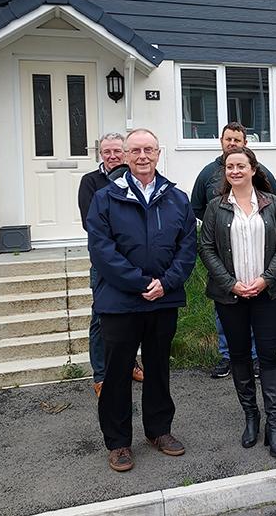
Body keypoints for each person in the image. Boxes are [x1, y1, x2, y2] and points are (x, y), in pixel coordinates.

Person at [86, 128, 197, 473]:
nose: (143, 156)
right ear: (126, 155)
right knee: (117, 373)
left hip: (162, 301)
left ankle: (159, 431)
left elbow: (187, 248)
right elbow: (102, 250)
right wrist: (139, 283)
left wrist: (165, 283)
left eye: (149, 149)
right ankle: (118, 442)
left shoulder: (177, 198)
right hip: (120, 302)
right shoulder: (105, 198)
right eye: (135, 150)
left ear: (159, 153)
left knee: (159, 368)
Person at [198, 147, 276, 459]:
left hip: (268, 294)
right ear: (225, 172)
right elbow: (206, 248)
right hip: (230, 297)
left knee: (268, 358)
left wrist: (266, 278)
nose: (235, 171)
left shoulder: (272, 203)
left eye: (241, 165)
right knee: (239, 357)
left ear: (253, 169)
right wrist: (231, 284)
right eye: (230, 166)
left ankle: (274, 426)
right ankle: (251, 418)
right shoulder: (216, 207)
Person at [191, 121, 276, 379]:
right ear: (221, 141)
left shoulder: (260, 172)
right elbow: (197, 206)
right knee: (226, 311)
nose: (232, 144)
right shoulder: (208, 173)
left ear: (245, 143)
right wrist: (216, 226)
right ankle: (227, 356)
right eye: (228, 139)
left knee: (258, 311)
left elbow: (275, 206)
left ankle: (253, 357)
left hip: (259, 260)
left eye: (237, 140)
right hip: (224, 259)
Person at [77, 132, 144, 397]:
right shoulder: (90, 182)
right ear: (100, 155)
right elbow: (90, 224)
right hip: (105, 264)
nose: (113, 156)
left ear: (126, 153)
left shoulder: (136, 178)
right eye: (108, 152)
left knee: (136, 316)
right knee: (101, 318)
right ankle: (102, 374)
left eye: (118, 151)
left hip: (135, 262)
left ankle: (130, 363)